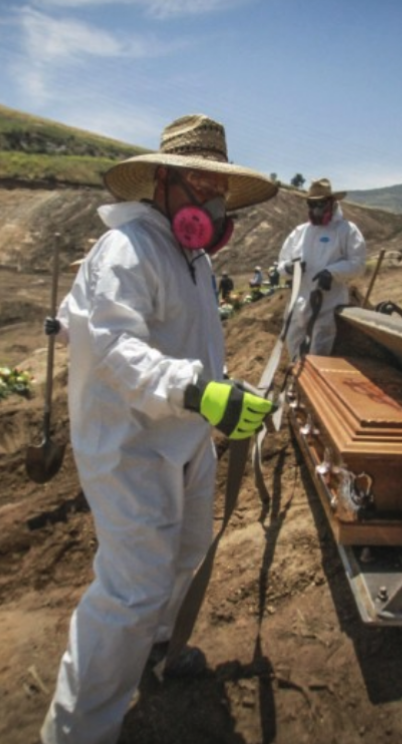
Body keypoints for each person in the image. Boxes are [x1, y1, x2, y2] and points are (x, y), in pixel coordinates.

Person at [40, 114, 278, 744]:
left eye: (217, 188)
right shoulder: (126, 249)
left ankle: (157, 650)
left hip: (184, 435)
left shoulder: (189, 254)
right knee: (131, 590)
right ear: (163, 182)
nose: (211, 201)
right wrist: (200, 391)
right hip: (129, 446)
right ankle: (76, 732)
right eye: (199, 184)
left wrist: (223, 391)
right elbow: (116, 348)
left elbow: (189, 342)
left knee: (186, 552)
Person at [276, 178, 368, 360]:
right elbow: (280, 266)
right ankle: (296, 382)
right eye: (312, 204)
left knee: (320, 348)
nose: (316, 209)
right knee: (294, 343)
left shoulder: (346, 231)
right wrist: (289, 268)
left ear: (332, 203)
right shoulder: (300, 233)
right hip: (299, 301)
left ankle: (312, 381)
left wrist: (332, 272)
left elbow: (358, 264)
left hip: (328, 302)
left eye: (320, 204)